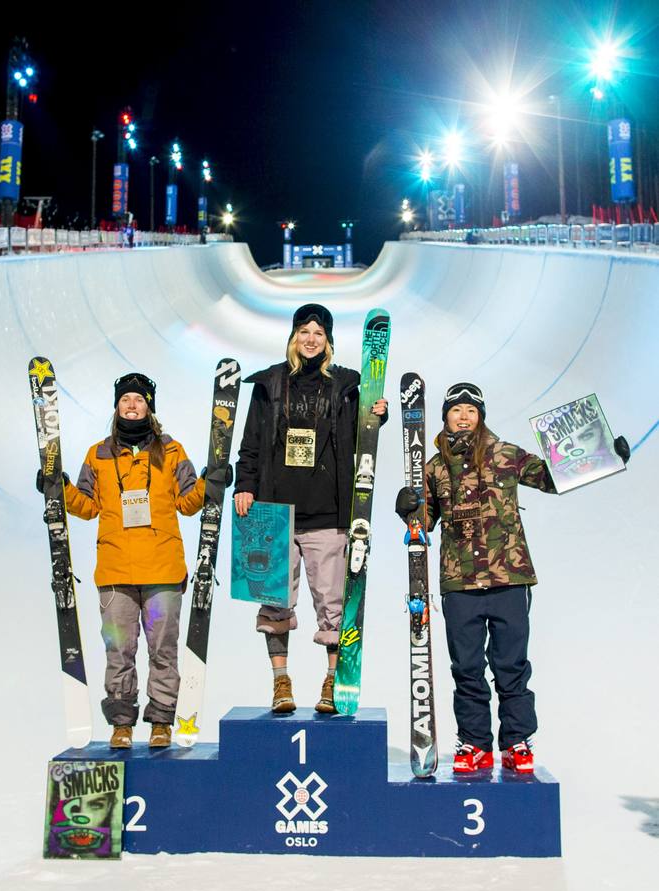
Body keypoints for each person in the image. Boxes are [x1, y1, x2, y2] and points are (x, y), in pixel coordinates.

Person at [396, 383, 631, 774]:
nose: (464, 416)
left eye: (471, 410)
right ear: (446, 417)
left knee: (511, 665)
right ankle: (474, 743)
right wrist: (408, 510)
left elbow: (551, 477)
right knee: (466, 668)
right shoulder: (434, 468)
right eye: (456, 410)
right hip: (460, 583)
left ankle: (517, 742)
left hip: (509, 577)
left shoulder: (505, 454)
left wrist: (602, 455)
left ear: (481, 416)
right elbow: (424, 523)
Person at [234, 304, 387, 715]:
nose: (311, 339)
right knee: (274, 601)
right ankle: (280, 682)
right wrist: (244, 485)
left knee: (333, 602)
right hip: (275, 514)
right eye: (305, 331)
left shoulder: (344, 385)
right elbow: (251, 442)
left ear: (329, 341)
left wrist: (376, 417)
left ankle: (332, 681)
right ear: (293, 337)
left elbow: (359, 439)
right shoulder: (269, 384)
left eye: (319, 333)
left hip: (327, 512)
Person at [43, 373, 205, 749]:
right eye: (125, 399)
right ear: (117, 406)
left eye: (139, 399)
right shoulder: (98, 454)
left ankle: (162, 720)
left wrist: (210, 484)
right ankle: (122, 722)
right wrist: (60, 487)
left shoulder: (172, 451)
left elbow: (187, 503)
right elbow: (86, 506)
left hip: (163, 570)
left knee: (162, 649)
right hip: (115, 573)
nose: (132, 405)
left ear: (150, 406)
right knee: (119, 649)